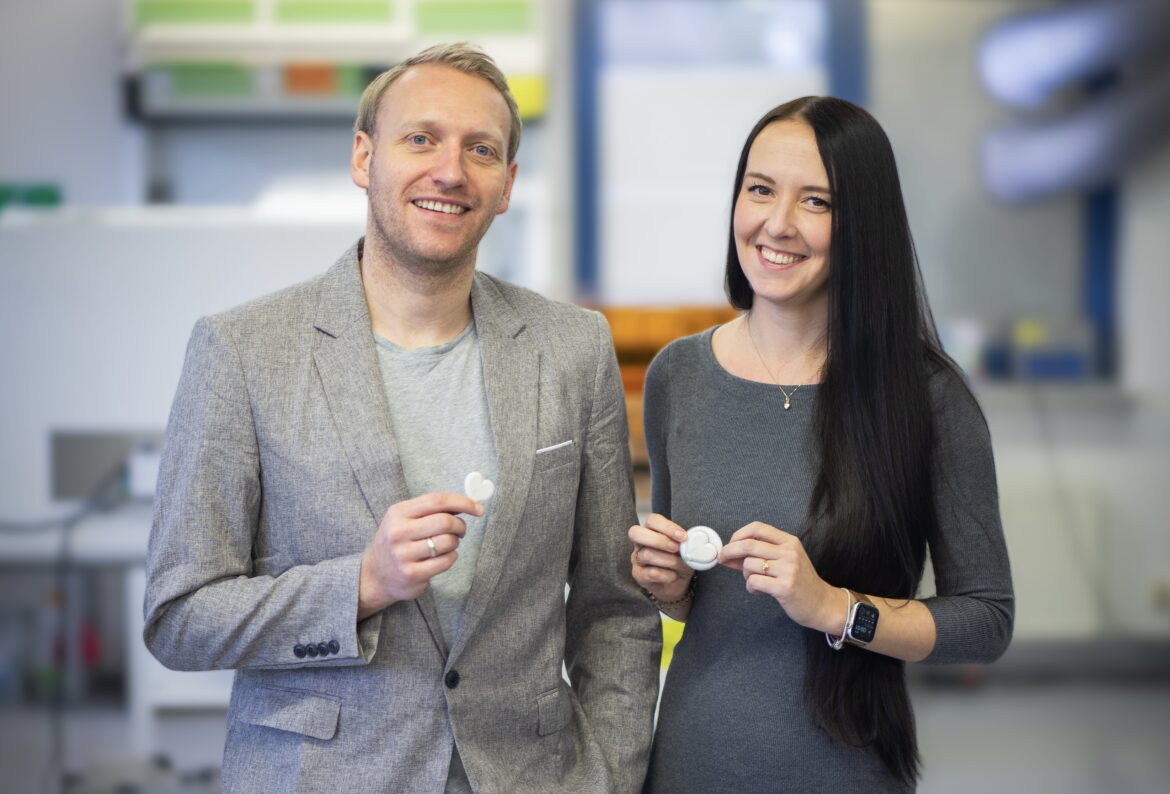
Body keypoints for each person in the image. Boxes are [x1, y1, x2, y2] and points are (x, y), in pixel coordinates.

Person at [143, 43, 661, 794]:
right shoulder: (243, 351)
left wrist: (609, 775)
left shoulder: (572, 348)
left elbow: (614, 608)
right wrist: (360, 584)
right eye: (421, 138)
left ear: (507, 184)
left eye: (480, 149)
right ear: (364, 157)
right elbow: (179, 616)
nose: (451, 171)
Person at [629, 96, 1014, 793]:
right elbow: (701, 604)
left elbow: (986, 619)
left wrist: (836, 608)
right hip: (689, 764)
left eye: (817, 201)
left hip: (848, 771)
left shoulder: (927, 396)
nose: (777, 223)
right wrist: (672, 587)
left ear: (862, 223)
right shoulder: (678, 376)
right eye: (760, 189)